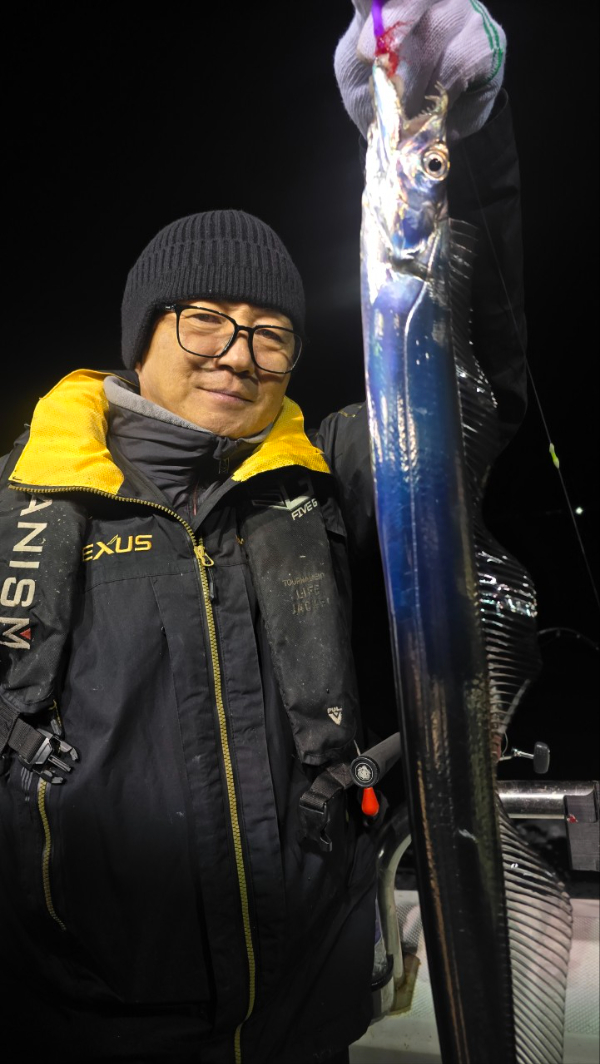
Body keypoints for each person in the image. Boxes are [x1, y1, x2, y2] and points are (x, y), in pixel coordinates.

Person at [0, 2, 526, 1061]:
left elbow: (473, 388)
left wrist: (460, 159)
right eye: (204, 320)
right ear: (142, 336)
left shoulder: (335, 471)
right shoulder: (21, 504)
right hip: (80, 1027)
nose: (237, 355)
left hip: (307, 1021)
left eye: (271, 333)